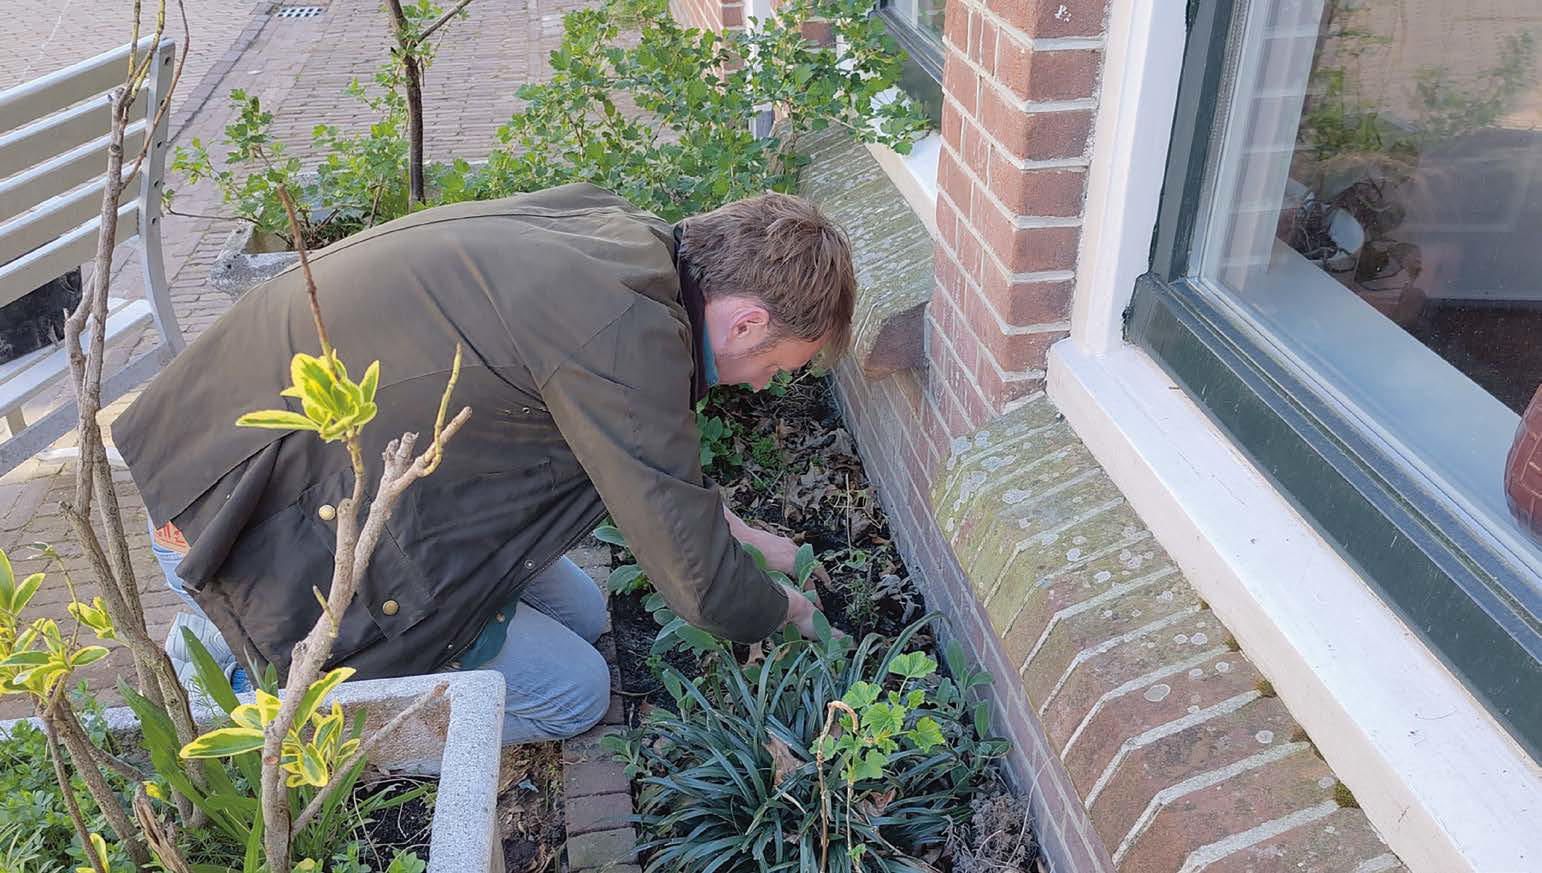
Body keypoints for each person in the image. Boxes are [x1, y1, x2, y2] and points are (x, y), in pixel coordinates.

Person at [113, 183, 856, 744]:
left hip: (225, 440)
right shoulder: (625, 335)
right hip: (246, 521)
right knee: (576, 692)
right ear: (748, 320)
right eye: (776, 365)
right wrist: (786, 609)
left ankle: (218, 638)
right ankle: (235, 687)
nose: (764, 384)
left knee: (588, 612)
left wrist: (763, 546)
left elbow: (648, 477)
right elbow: (701, 584)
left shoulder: (622, 242)